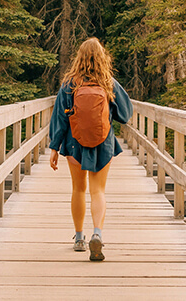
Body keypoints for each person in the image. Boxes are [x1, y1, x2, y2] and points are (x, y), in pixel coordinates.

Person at [49, 38, 132, 262]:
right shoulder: (109, 83)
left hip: (73, 143)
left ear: (79, 58)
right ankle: (97, 233)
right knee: (98, 191)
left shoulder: (69, 84)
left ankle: (78, 238)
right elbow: (125, 115)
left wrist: (54, 147)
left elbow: (59, 118)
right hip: (103, 142)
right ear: (103, 57)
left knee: (78, 189)